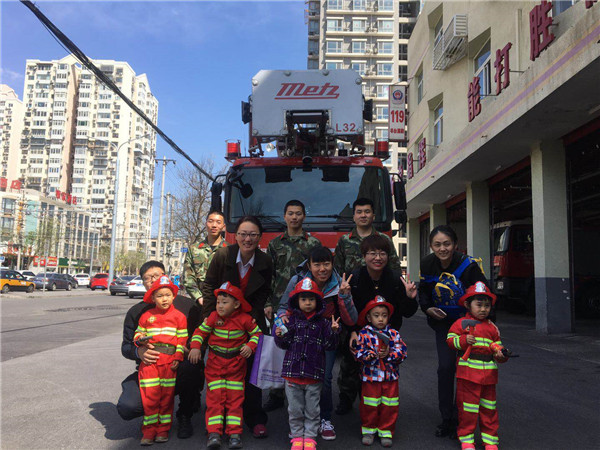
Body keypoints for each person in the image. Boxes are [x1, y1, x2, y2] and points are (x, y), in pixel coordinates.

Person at [201, 215, 273, 438]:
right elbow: (209, 285)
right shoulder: (224, 255)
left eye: (252, 235)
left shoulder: (265, 261)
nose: (247, 239)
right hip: (221, 319)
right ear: (236, 235)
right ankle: (219, 421)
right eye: (243, 234)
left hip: (249, 320)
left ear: (259, 237)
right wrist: (213, 317)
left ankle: (255, 419)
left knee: (252, 371)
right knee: (222, 372)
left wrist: (246, 321)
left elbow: (263, 294)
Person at [277, 246, 357, 441]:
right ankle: (297, 423)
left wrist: (344, 296)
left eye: (326, 264)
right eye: (317, 264)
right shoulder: (298, 281)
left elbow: (351, 320)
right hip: (299, 336)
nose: (322, 269)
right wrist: (281, 323)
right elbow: (283, 306)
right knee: (295, 379)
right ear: (310, 266)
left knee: (325, 378)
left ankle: (324, 418)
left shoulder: (339, 283)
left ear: (332, 264)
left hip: (324, 336)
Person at [118, 261, 203, 439]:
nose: (152, 280)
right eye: (147, 278)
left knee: (192, 367)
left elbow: (202, 333)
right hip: (150, 367)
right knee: (128, 407)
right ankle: (151, 424)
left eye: (157, 275)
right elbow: (126, 346)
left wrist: (191, 348)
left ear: (166, 277)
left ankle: (185, 413)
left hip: (177, 365)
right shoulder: (137, 312)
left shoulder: (188, 307)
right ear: (143, 283)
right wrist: (138, 352)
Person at [418, 225, 489, 439]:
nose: (442, 248)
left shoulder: (469, 266)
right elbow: (424, 292)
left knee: (468, 372)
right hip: (444, 325)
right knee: (446, 368)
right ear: (431, 246)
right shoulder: (427, 264)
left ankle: (465, 421)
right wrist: (427, 308)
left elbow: (483, 296)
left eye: (447, 244)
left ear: (455, 245)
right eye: (437, 244)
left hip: (470, 325)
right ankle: (447, 418)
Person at [337, 234, 418, 415]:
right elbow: (346, 309)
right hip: (358, 331)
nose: (377, 258)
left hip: (386, 335)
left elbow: (407, 312)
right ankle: (346, 398)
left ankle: (381, 406)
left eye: (382, 253)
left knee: (382, 370)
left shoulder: (396, 279)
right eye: (372, 253)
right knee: (351, 364)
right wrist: (352, 332)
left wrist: (410, 298)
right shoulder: (354, 278)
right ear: (364, 256)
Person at [189, 282, 262, 450]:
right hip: (215, 365)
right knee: (214, 399)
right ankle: (213, 433)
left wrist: (250, 346)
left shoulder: (245, 319)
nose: (220, 306)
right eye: (218, 302)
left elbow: (257, 334)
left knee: (235, 400)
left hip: (236, 367)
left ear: (236, 304)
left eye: (224, 302)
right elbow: (200, 332)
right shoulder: (214, 317)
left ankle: (234, 433)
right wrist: (195, 347)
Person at [264, 199, 321, 412]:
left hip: (305, 305)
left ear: (304, 216)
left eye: (298, 213)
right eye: (290, 213)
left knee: (304, 347)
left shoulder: (313, 244)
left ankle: (305, 393)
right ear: (284, 216)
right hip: (281, 306)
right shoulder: (274, 244)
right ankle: (276, 394)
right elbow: (269, 276)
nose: (294, 217)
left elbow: (318, 273)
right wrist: (269, 303)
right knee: (279, 348)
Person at [274, 278, 340, 450]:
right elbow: (283, 345)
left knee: (313, 410)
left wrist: (333, 333)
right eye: (303, 299)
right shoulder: (291, 321)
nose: (308, 303)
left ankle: (309, 437)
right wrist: (280, 335)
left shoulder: (324, 324)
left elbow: (330, 346)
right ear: (297, 301)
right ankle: (296, 436)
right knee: (294, 409)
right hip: (292, 374)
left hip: (314, 374)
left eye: (311, 299)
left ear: (318, 302)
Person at [181, 209, 229, 435]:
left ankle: (227, 410)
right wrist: (201, 299)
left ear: (223, 226)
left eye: (218, 222)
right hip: (200, 310)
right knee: (194, 357)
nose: (213, 225)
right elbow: (188, 278)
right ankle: (187, 408)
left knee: (225, 358)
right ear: (206, 224)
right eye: (210, 221)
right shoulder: (194, 249)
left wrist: (223, 305)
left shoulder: (230, 250)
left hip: (224, 312)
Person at [446, 282, 508, 450]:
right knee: (468, 410)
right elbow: (450, 340)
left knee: (489, 410)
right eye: (479, 305)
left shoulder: (492, 328)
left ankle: (490, 441)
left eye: (487, 306)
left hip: (488, 377)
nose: (483, 309)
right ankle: (466, 440)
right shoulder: (460, 323)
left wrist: (501, 354)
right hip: (467, 375)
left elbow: (497, 346)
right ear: (468, 305)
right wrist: (463, 341)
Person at [134, 275, 188, 445]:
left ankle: (163, 429)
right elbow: (138, 334)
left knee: (166, 398)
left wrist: (178, 357)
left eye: (167, 295)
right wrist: (140, 341)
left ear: (173, 296)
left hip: (169, 363)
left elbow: (182, 340)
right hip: (150, 363)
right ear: (152, 298)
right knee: (150, 398)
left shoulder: (179, 317)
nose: (164, 299)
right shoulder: (146, 316)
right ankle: (149, 431)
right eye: (159, 296)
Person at [354, 295, 407, 448]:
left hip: (390, 378)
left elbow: (403, 351)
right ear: (369, 317)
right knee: (369, 405)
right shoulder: (363, 334)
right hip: (371, 377)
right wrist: (368, 356)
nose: (381, 319)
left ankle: (386, 431)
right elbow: (358, 353)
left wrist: (390, 354)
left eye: (384, 315)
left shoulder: (393, 334)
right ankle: (369, 430)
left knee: (389, 406)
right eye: (376, 315)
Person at [333, 198, 401, 277]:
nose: (363, 215)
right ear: (354, 217)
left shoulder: (384, 239)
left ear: (373, 216)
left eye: (367, 212)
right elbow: (337, 269)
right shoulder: (344, 240)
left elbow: (394, 267)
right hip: (351, 287)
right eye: (359, 212)